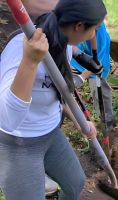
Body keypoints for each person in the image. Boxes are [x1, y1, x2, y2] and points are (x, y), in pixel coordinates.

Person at [0, 1, 107, 199]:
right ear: (78, 26)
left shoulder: (62, 43)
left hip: (50, 135)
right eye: (95, 29)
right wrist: (30, 61)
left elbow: (59, 93)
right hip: (19, 144)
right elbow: (7, 119)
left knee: (76, 183)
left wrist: (80, 123)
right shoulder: (21, 50)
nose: (93, 36)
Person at [71, 22, 115, 132]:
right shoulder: (72, 25)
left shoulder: (100, 35)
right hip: (78, 54)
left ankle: (108, 124)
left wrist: (81, 77)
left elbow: (97, 63)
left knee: (100, 94)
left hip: (98, 62)